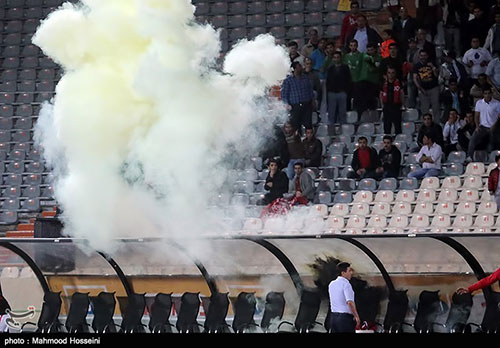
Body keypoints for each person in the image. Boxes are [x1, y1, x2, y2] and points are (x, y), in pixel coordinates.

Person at [467, 87, 500, 161]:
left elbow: (499, 117)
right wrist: (477, 126)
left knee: (492, 141)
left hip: (494, 127)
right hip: (483, 127)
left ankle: (491, 159)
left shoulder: (497, 103)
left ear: (491, 94)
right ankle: (469, 157)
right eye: (485, 93)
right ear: (483, 94)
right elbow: (476, 115)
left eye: (489, 93)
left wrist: (494, 126)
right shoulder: (479, 103)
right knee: (473, 139)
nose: (487, 95)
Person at [281, 62, 315, 133]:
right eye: (299, 66)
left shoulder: (306, 78)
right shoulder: (288, 80)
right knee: (296, 125)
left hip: (307, 104)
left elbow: (310, 91)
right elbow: (284, 94)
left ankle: (309, 140)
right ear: (294, 69)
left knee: (308, 124)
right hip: (295, 106)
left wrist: (313, 100)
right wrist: (287, 104)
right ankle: (298, 141)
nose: (301, 68)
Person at [328, 262, 361, 333]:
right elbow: (350, 302)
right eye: (349, 271)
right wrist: (356, 316)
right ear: (343, 273)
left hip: (333, 317)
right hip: (344, 318)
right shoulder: (346, 284)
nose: (351, 273)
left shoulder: (331, 284)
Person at [355, 43, 382, 119]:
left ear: (375, 50)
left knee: (372, 103)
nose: (370, 51)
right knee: (361, 102)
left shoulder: (379, 58)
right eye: (368, 50)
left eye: (372, 50)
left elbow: (373, 69)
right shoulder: (363, 58)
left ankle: (374, 118)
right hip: (363, 82)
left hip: (374, 83)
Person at [413, 50, 441, 122]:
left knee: (436, 108)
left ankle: (437, 125)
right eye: (421, 55)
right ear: (419, 56)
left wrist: (432, 67)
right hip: (423, 89)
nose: (423, 57)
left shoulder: (432, 64)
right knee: (424, 110)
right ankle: (425, 125)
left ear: (427, 56)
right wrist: (420, 88)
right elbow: (415, 78)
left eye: (424, 55)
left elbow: (436, 75)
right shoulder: (416, 66)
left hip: (433, 88)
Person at [326, 51, 352, 124]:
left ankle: (343, 131)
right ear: (333, 59)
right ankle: (331, 132)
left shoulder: (345, 68)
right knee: (331, 114)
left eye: (338, 57)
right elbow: (328, 81)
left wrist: (346, 91)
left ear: (341, 58)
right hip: (332, 93)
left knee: (342, 113)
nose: (336, 59)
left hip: (342, 92)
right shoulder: (330, 69)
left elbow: (348, 80)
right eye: (335, 57)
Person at [380, 66, 404, 135]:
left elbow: (401, 93)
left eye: (393, 73)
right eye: (389, 73)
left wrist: (402, 104)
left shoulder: (399, 83)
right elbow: (381, 94)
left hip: (396, 106)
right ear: (387, 74)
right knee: (387, 127)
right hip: (387, 107)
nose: (391, 74)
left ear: (395, 73)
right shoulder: (383, 83)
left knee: (397, 126)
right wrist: (382, 105)